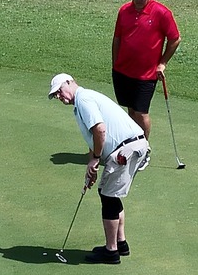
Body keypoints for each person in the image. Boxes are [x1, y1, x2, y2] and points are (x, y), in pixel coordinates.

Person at [49, 72, 149, 264]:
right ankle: (121, 243)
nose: (59, 98)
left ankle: (111, 252)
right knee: (110, 193)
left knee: (108, 196)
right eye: (56, 96)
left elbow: (100, 129)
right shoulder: (82, 103)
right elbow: (94, 137)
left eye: (59, 92)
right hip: (132, 146)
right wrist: (91, 164)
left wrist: (95, 159)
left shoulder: (84, 99)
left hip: (126, 149)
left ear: (70, 82)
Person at [109, 0, 180, 139]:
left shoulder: (162, 13)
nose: (138, 0)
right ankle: (132, 144)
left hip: (146, 74)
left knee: (141, 113)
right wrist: (115, 64)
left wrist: (162, 63)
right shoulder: (124, 11)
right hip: (123, 71)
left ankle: (144, 149)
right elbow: (117, 38)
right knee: (131, 109)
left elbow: (175, 39)